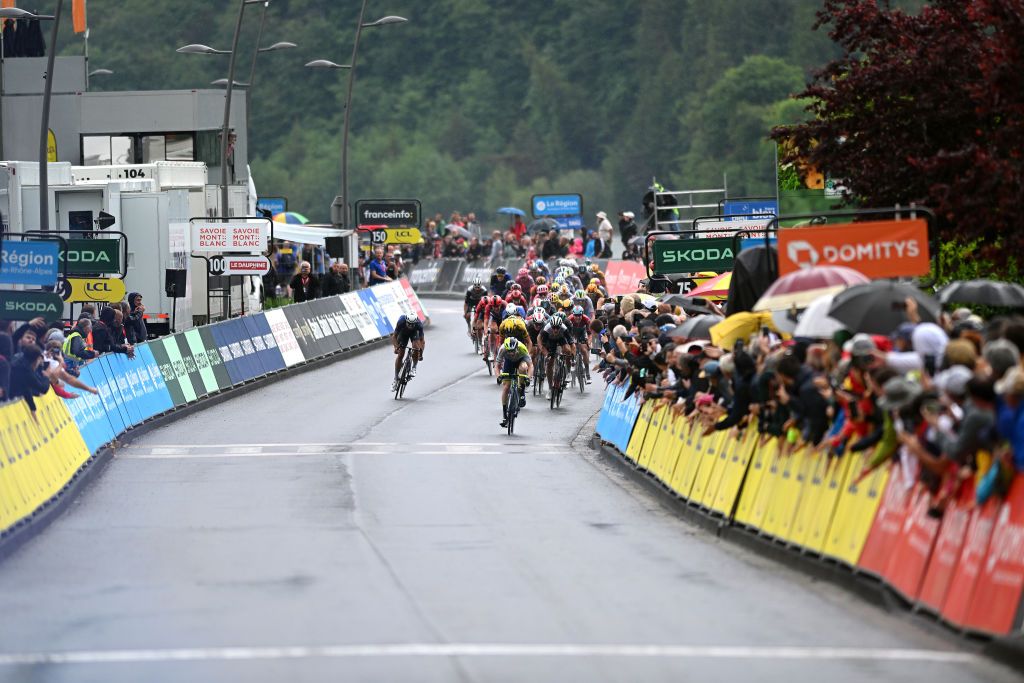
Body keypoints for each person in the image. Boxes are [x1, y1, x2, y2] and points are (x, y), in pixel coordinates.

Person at [497, 336, 533, 428]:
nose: (511, 353)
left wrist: (528, 378)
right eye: (509, 351)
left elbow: (530, 366)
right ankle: (505, 415)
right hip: (508, 363)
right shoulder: (502, 349)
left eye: (513, 351)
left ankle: (522, 392)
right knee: (506, 387)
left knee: (523, 368)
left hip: (520, 361)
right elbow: (497, 365)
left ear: (516, 348)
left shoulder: (522, 348)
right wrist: (498, 377)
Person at [539, 312, 574, 397]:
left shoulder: (564, 328)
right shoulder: (546, 329)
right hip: (550, 341)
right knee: (550, 363)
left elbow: (572, 344)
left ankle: (568, 372)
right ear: (551, 326)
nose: (555, 330)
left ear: (560, 326)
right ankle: (550, 389)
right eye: (553, 327)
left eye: (557, 328)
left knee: (567, 350)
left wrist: (572, 356)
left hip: (561, 338)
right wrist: (546, 354)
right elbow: (540, 341)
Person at [391, 313, 425, 388]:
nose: (410, 326)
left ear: (415, 323)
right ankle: (396, 378)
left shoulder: (419, 325)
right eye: (409, 324)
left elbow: (422, 341)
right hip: (403, 333)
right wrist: (396, 347)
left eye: (412, 324)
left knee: (416, 347)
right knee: (400, 354)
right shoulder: (401, 321)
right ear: (406, 321)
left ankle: (414, 368)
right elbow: (394, 337)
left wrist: (421, 353)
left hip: (414, 333)